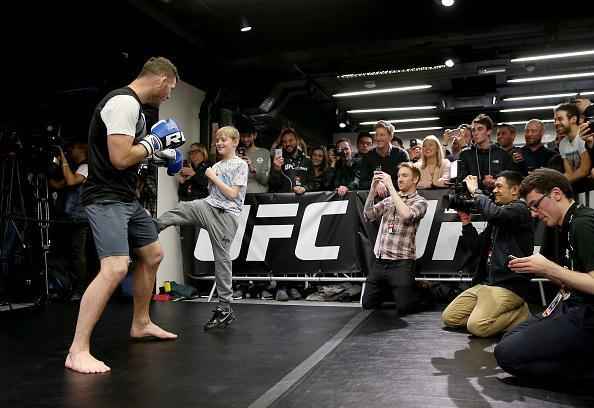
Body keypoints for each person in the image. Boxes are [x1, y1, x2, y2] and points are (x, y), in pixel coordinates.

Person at [67, 57, 184, 374]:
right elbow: (119, 158)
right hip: (105, 197)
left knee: (153, 253)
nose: (168, 96)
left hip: (126, 198)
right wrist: (155, 141)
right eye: (170, 89)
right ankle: (77, 350)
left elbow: (132, 154)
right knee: (115, 267)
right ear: (161, 80)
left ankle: (141, 323)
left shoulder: (137, 112)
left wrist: (163, 154)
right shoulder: (123, 102)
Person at [495, 168, 594, 384]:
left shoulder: (582, 224)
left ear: (556, 194)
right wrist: (540, 270)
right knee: (509, 339)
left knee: (506, 354)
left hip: (586, 315)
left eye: (535, 205)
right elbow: (571, 279)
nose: (533, 213)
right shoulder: (563, 226)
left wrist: (550, 269)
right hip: (569, 305)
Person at [157, 126, 248, 330]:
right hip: (208, 206)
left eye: (223, 139)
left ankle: (225, 309)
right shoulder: (215, 165)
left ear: (235, 142)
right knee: (183, 208)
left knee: (222, 260)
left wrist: (213, 177)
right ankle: (152, 227)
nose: (218, 143)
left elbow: (233, 195)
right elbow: (212, 193)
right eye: (217, 139)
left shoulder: (239, 164)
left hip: (226, 216)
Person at [441, 171, 534, 337]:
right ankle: (490, 313)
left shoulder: (520, 210)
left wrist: (476, 192)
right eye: (495, 187)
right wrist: (466, 223)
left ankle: (521, 314)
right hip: (486, 284)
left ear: (514, 190)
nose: (494, 191)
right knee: (450, 318)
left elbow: (495, 214)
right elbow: (476, 247)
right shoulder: (497, 218)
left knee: (477, 327)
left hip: (509, 286)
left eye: (499, 186)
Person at [361, 162, 428, 314]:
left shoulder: (421, 202)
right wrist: (372, 190)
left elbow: (407, 215)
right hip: (381, 261)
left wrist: (390, 187)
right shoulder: (389, 201)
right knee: (367, 304)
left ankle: (419, 289)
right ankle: (395, 288)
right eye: (398, 176)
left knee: (405, 308)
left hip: (402, 262)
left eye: (405, 175)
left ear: (415, 179)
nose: (400, 179)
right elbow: (368, 215)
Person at [48, 142, 90, 300]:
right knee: (68, 253)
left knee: (78, 255)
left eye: (72, 148)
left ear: (81, 149)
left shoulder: (85, 168)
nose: (70, 151)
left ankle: (81, 291)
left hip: (80, 218)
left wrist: (63, 158)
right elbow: (58, 184)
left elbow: (71, 181)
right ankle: (68, 286)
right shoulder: (77, 168)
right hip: (69, 218)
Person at [177, 143, 211, 280]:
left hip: (203, 210)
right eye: (190, 153)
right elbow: (184, 192)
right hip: (189, 210)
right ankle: (191, 280)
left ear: (203, 152)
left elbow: (207, 185)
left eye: (196, 151)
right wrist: (183, 181)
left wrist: (194, 175)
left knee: (202, 245)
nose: (193, 155)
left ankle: (206, 281)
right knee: (188, 245)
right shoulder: (190, 168)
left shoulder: (208, 167)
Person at [457, 114, 515, 191]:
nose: (475, 133)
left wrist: (496, 182)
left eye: (480, 129)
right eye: (473, 130)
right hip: (472, 199)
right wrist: (482, 183)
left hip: (497, 199)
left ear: (489, 131)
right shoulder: (465, 155)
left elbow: (509, 181)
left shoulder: (502, 154)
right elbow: (460, 182)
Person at [358, 120, 409, 192]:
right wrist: (376, 184)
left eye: (382, 135)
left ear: (390, 136)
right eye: (376, 135)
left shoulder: (402, 155)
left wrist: (386, 184)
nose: (378, 138)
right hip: (375, 199)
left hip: (397, 198)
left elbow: (406, 180)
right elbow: (362, 183)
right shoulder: (367, 156)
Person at [554, 103, 592, 186]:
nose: (556, 123)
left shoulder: (584, 136)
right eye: (555, 120)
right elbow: (569, 173)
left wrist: (558, 183)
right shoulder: (562, 144)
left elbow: (584, 170)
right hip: (577, 188)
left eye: (560, 119)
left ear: (573, 119)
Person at [269, 128, 313, 194]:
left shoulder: (307, 161)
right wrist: (276, 171)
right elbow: (273, 185)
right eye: (284, 141)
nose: (287, 144)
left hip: (304, 200)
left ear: (297, 141)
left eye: (291, 140)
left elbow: (314, 183)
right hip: (286, 201)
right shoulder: (279, 160)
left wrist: (304, 188)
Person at [238, 121, 270, 193]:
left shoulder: (264, 153)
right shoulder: (236, 154)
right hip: (238, 197)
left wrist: (252, 167)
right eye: (243, 136)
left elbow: (265, 180)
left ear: (255, 135)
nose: (246, 139)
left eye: (248, 136)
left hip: (259, 197)